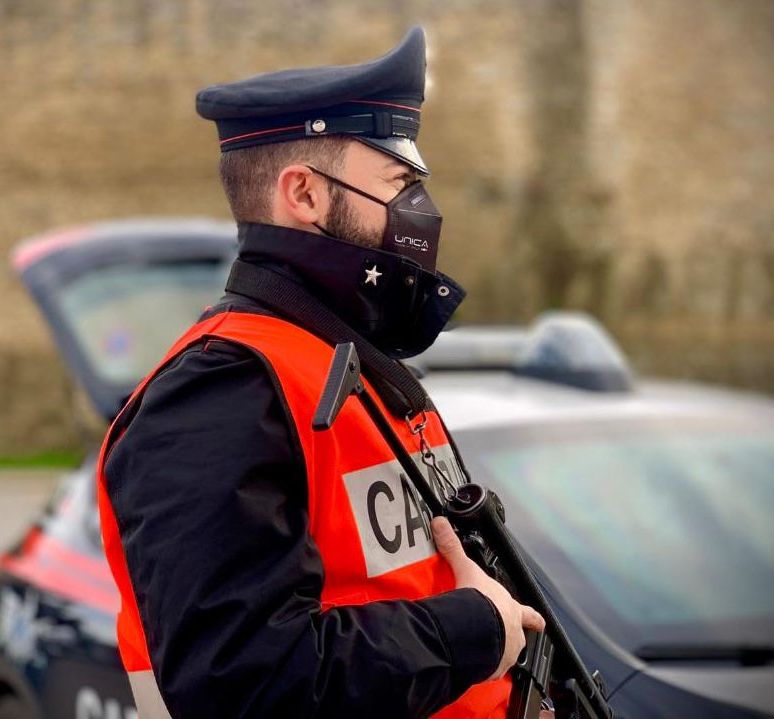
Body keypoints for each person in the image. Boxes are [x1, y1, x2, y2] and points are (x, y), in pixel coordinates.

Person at [97, 26, 545, 718]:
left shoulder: (351, 363)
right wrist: (475, 631)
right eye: (398, 183)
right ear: (303, 194)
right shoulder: (223, 388)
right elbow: (242, 680)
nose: (418, 213)